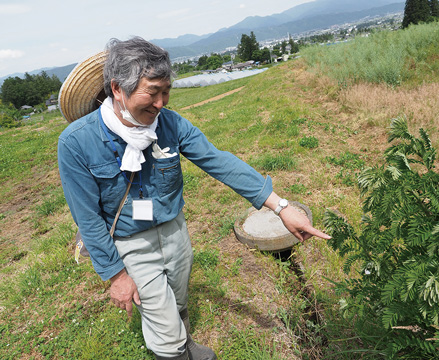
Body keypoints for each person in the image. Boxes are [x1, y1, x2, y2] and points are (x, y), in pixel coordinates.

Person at [57, 36, 330, 360]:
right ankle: (173, 350)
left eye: (165, 91)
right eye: (151, 93)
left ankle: (184, 343)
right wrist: (116, 275)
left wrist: (280, 206)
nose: (161, 103)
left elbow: (218, 161)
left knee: (178, 299)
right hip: (130, 243)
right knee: (163, 327)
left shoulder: (170, 124)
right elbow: (87, 218)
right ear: (117, 89)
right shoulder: (76, 143)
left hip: (174, 231)